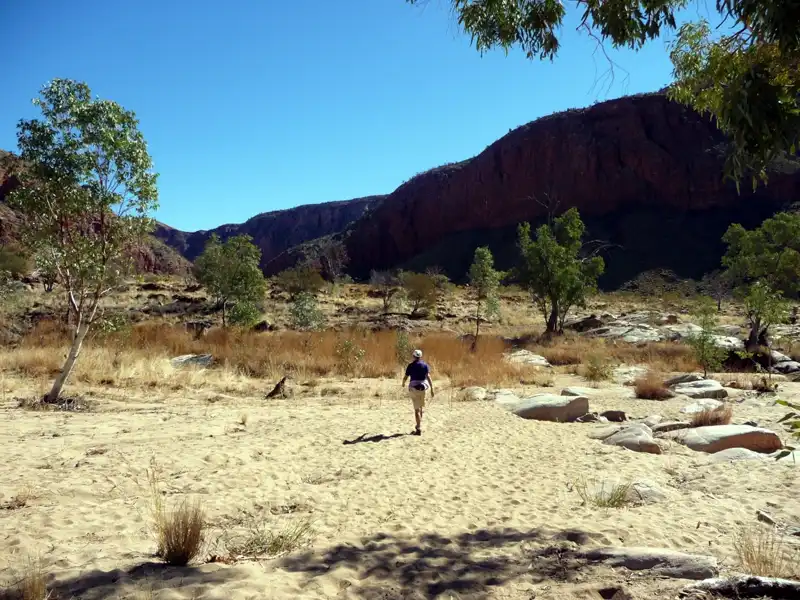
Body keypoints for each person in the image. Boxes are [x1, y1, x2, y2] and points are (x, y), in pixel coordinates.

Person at [401, 349, 434, 435]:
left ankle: (418, 428)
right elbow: (428, 377)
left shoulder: (410, 365)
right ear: (420, 356)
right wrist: (432, 388)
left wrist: (403, 383)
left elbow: (406, 377)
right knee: (421, 408)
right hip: (423, 388)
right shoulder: (425, 365)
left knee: (416, 410)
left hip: (413, 388)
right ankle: (418, 425)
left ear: (414, 356)